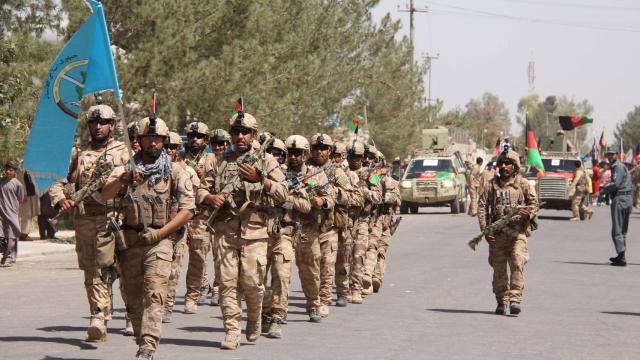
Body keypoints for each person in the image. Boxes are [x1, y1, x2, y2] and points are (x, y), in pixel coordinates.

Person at [101, 115, 194, 360]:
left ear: (164, 142)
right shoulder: (127, 168)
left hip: (160, 240)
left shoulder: (175, 171)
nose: (153, 143)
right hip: (130, 240)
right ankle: (142, 336)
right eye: (148, 138)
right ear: (139, 141)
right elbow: (105, 195)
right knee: (131, 295)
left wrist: (162, 233)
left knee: (154, 290)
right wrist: (124, 179)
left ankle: (148, 346)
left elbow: (187, 210)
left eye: (158, 139)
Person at [198, 111, 288, 350]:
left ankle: (255, 318)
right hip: (224, 230)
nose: (240, 136)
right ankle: (231, 330)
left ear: (254, 134)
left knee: (252, 283)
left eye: (245, 132)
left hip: (255, 231)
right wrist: (210, 198)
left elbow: (283, 192)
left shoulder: (267, 160)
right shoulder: (218, 160)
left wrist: (261, 180)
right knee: (227, 283)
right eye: (236, 132)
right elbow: (200, 189)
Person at [49, 105, 129, 340]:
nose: (98, 126)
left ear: (112, 124)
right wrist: (60, 199)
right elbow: (58, 180)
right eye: (93, 122)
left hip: (115, 218)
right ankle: (98, 315)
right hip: (85, 218)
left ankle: (132, 312)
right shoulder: (78, 153)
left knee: (121, 269)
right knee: (92, 268)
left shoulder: (123, 152)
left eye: (103, 121)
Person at [261, 135, 312, 339]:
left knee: (281, 277)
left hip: (284, 233)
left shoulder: (291, 180)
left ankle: (277, 317)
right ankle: (265, 312)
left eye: (278, 154)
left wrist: (286, 198)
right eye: (271, 153)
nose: (275, 157)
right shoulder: (265, 175)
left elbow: (306, 206)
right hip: (260, 233)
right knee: (255, 279)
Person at [477, 149, 538, 315]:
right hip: (497, 234)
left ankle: (515, 298)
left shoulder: (523, 184)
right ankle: (501, 300)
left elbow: (534, 204)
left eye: (508, 163)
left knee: (518, 262)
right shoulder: (491, 185)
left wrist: (529, 213)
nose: (504, 166)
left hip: (517, 234)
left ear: (515, 165)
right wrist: (485, 230)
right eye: (501, 163)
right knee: (499, 269)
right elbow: (482, 206)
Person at [182, 121, 216, 313]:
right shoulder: (179, 157)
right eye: (192, 136)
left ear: (206, 139)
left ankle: (192, 296)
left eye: (199, 136)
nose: (195, 139)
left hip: (201, 216)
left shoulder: (213, 159)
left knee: (197, 258)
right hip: (179, 214)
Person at [162, 131, 196, 323]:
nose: (168, 150)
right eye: (166, 146)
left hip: (177, 226)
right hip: (155, 224)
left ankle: (167, 305)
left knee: (173, 270)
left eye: (173, 147)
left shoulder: (185, 171)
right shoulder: (150, 168)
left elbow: (194, 197)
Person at [350, 143, 382, 304]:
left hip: (362, 220)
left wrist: (365, 192)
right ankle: (344, 288)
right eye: (352, 156)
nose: (354, 160)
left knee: (358, 255)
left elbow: (378, 196)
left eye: (358, 157)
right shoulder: (342, 172)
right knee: (342, 257)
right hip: (343, 220)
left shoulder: (371, 174)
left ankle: (356, 288)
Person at [601, 145, 634, 266]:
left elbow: (616, 184)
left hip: (620, 199)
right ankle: (621, 255)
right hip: (627, 198)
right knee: (622, 229)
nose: (610, 156)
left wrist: (603, 190)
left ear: (617, 154)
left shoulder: (617, 167)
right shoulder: (621, 166)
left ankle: (621, 255)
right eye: (608, 154)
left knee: (617, 229)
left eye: (612, 154)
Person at [0, 160, 25, 267]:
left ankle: (10, 257)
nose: (8, 172)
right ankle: (5, 254)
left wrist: (12, 207)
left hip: (12, 213)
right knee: (1, 235)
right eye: (6, 169)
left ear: (15, 171)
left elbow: (20, 199)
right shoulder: (1, 181)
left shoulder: (18, 184)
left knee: (11, 236)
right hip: (1, 212)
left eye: (11, 170)